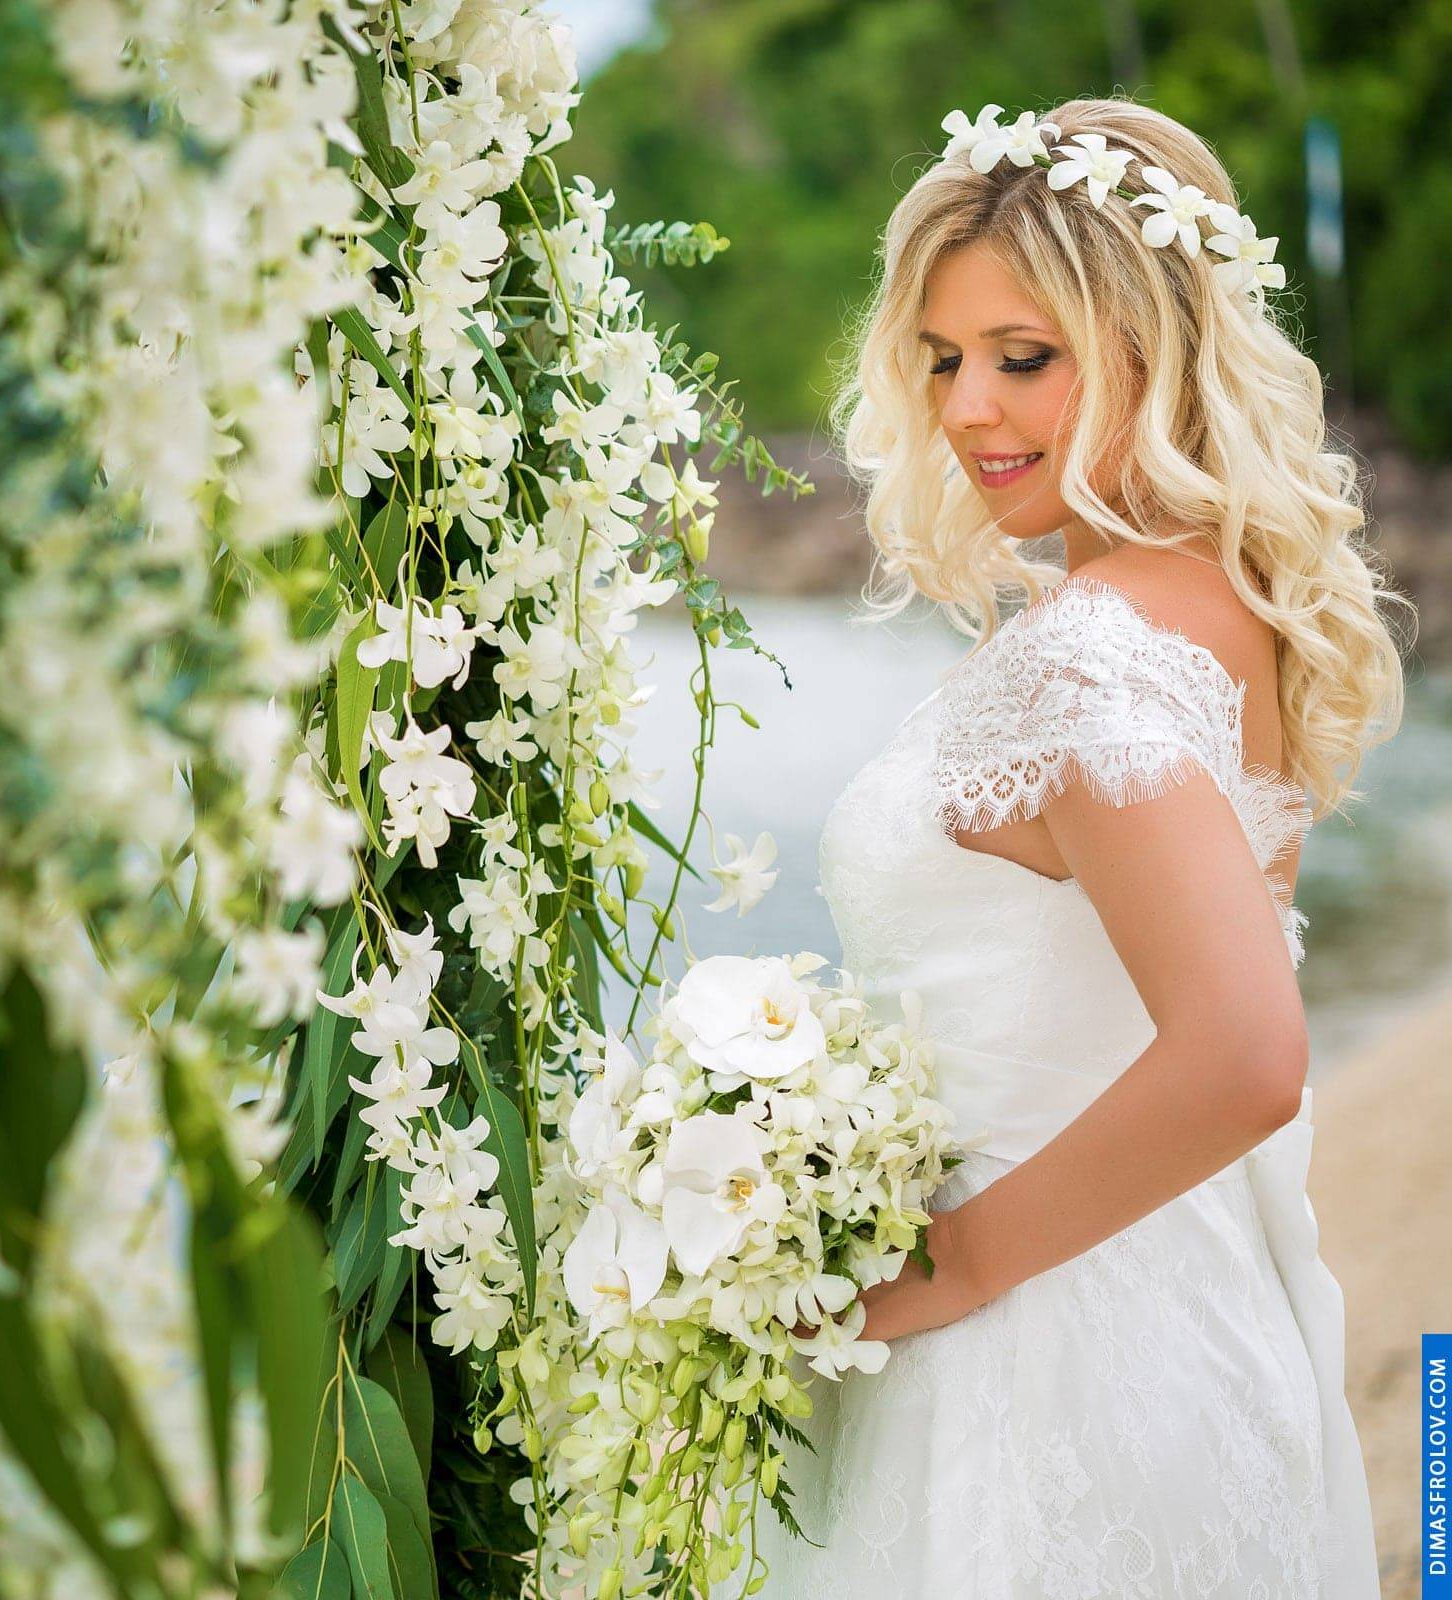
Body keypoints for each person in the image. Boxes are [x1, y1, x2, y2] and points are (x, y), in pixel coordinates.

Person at [745, 98, 1406, 1597]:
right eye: (942, 359)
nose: (969, 408)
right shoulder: (1224, 608)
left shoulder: (1091, 657)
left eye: (1022, 358)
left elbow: (1247, 1053)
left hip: (1036, 1374)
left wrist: (950, 1267)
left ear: (1153, 349)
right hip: (1175, 1308)